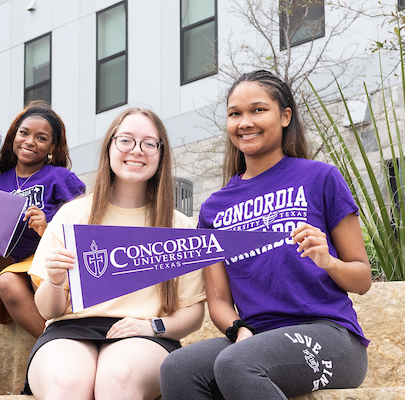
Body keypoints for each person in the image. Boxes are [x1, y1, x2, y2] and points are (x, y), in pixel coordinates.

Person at [160, 70, 371, 400]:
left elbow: (362, 279)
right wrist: (238, 329)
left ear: (285, 116)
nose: (245, 122)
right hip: (256, 338)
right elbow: (218, 300)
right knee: (178, 369)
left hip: (330, 336)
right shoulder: (214, 208)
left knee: (237, 363)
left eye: (258, 110)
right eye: (235, 114)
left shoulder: (320, 178)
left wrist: (328, 261)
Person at [23, 108, 207, 400]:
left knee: (117, 381)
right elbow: (48, 311)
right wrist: (56, 281)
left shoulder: (179, 225)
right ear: (109, 146)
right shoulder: (73, 214)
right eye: (126, 140)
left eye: (149, 143)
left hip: (146, 334)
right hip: (68, 331)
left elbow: (194, 314)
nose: (137, 150)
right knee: (67, 384)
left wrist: (153, 326)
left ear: (161, 155)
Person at [0, 101, 85, 338]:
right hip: (20, 266)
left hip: (54, 261)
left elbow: (86, 225)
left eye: (41, 138)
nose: (30, 141)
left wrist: (47, 228)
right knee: (4, 283)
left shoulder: (60, 177)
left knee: (40, 276)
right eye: (24, 133)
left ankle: (63, 342)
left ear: (52, 146)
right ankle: (53, 344)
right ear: (14, 136)